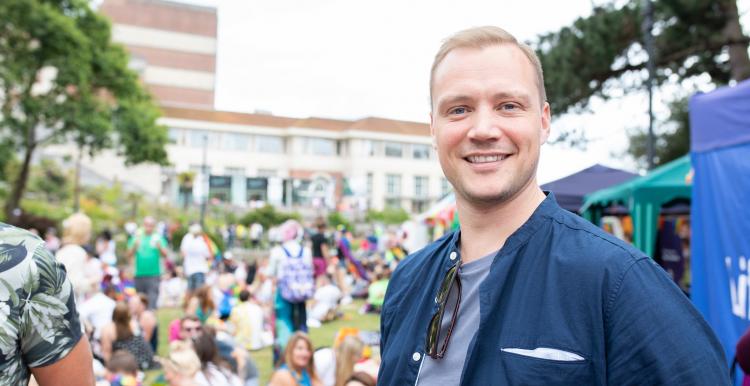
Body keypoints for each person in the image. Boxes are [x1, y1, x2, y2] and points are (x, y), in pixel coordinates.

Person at [377, 26, 729, 385]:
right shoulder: (408, 280)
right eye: (459, 109)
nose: (483, 129)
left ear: (543, 121)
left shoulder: (617, 281)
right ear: (433, 129)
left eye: (508, 106)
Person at [0, 222, 95, 385]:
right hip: (55, 302)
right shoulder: (32, 257)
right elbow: (74, 281)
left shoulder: (54, 251)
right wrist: (92, 282)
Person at [127, 216, 168, 309]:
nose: (148, 227)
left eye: (151, 225)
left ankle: (150, 319)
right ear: (143, 225)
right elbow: (128, 254)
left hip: (154, 274)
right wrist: (134, 246)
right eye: (146, 225)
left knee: (152, 300)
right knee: (140, 301)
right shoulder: (136, 238)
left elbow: (165, 255)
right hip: (139, 273)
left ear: (154, 226)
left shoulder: (158, 238)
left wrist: (159, 247)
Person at [100, 302, 155, 370]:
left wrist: (110, 368)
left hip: (122, 364)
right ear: (128, 314)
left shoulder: (107, 329)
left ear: (114, 314)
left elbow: (106, 351)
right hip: (142, 360)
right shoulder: (134, 324)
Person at [180, 223, 212, 295]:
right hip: (197, 269)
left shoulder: (189, 238)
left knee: (192, 291)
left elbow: (183, 253)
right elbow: (208, 255)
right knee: (197, 291)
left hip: (193, 269)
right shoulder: (200, 239)